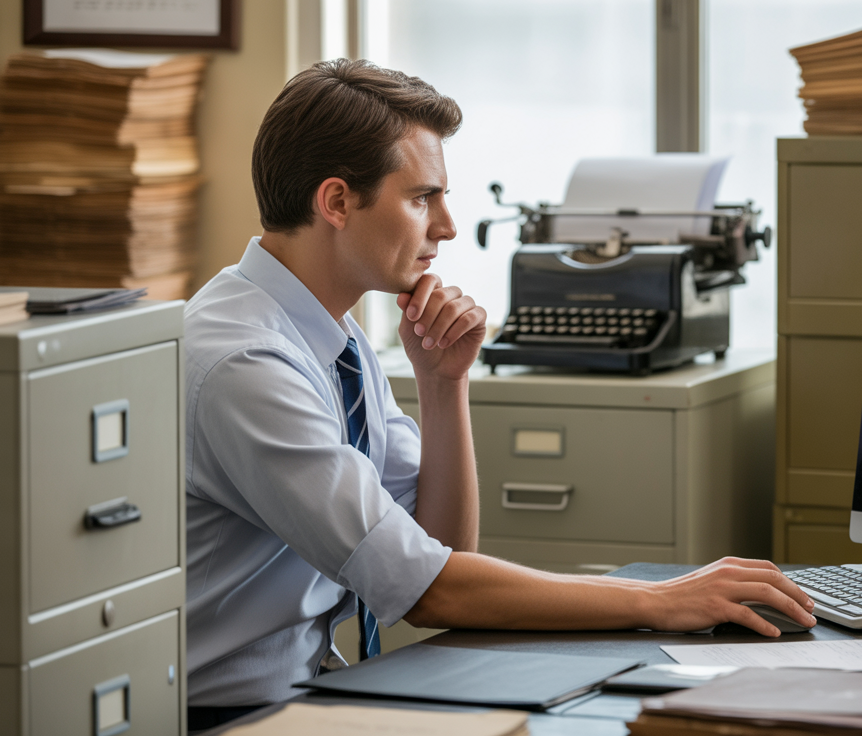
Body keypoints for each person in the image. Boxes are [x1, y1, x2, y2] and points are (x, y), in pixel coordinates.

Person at [183, 58, 813, 729]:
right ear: (336, 201)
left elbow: (444, 549)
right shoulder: (246, 362)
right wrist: (659, 600)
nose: (448, 226)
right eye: (423, 197)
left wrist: (442, 385)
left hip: (307, 693)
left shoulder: (329, 334)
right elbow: (428, 592)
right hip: (225, 717)